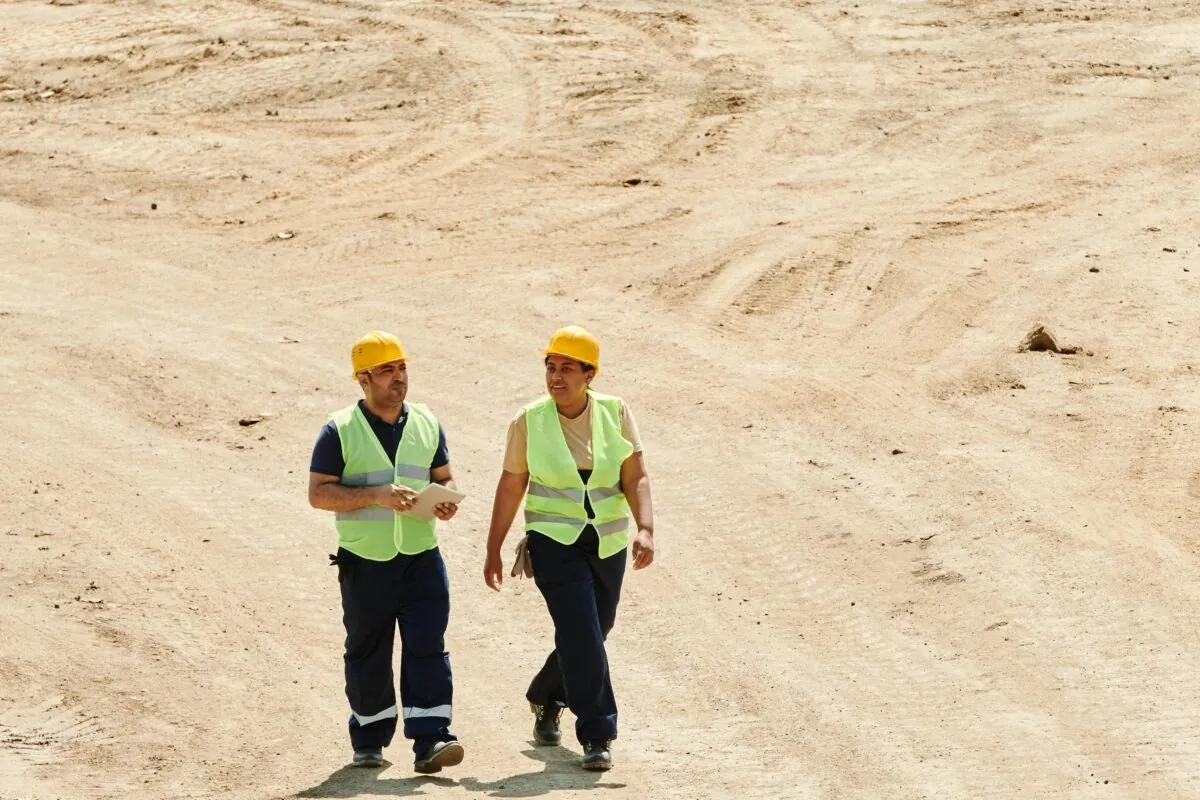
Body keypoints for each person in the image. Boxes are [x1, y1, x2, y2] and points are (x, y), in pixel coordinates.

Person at [483, 325, 656, 771]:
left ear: (589, 374)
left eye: (567, 368)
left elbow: (634, 474)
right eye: (550, 366)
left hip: (607, 542)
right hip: (553, 544)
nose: (555, 376)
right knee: (581, 632)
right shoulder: (529, 420)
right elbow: (511, 485)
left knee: (595, 630)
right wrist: (493, 548)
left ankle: (546, 694)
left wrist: (645, 528)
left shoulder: (615, 413)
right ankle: (598, 732)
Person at [308, 331, 465, 774]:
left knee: (427, 647)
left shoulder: (427, 422)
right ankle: (369, 739)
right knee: (367, 650)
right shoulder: (339, 429)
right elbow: (318, 494)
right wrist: (375, 495)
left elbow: (445, 475)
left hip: (422, 556)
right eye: (386, 371)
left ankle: (432, 739)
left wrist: (447, 499)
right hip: (365, 562)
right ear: (363, 379)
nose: (398, 378)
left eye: (401, 368)